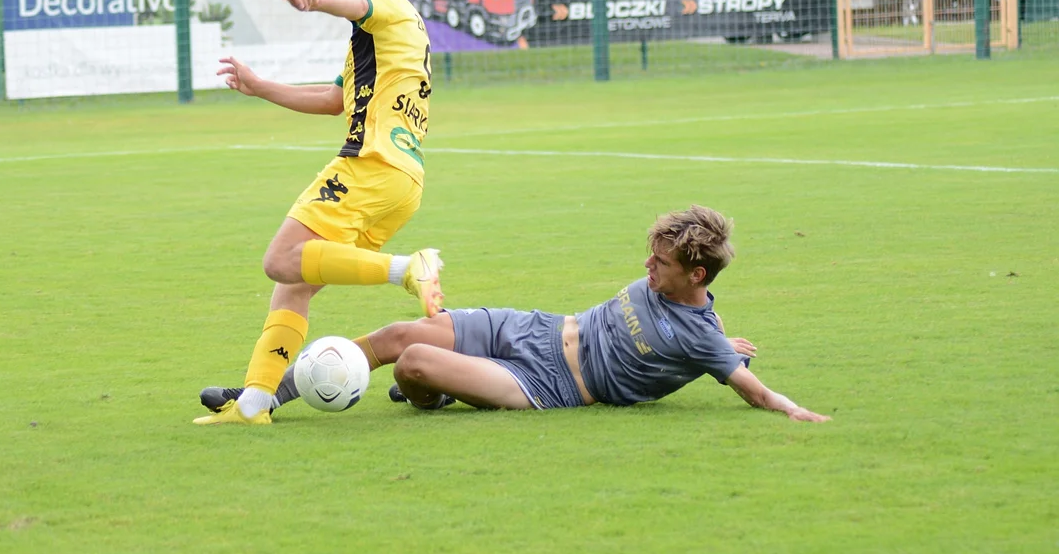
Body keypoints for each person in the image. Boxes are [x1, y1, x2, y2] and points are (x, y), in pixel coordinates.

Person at [200, 206, 830, 423]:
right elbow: (712, 338)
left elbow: (748, 385)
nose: (647, 267)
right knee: (396, 333)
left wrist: (791, 408)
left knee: (413, 365)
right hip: (531, 327)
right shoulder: (696, 319)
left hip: (549, 386)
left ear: (695, 273)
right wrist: (721, 343)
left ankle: (435, 392)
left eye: (660, 264)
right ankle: (266, 392)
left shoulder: (700, 337)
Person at [195, 0, 443, 427]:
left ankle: (407, 269)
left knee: (281, 259)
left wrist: (315, 1)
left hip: (371, 165)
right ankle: (255, 402)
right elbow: (334, 100)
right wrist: (261, 86)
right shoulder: (381, 40)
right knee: (296, 285)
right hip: (402, 181)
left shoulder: (389, 7)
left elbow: (358, 5)